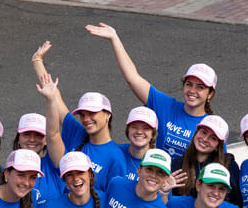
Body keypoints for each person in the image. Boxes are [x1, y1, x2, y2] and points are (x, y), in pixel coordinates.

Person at [84, 25, 216, 163]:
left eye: (200, 87)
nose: (192, 91)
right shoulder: (166, 106)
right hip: (154, 178)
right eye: (189, 84)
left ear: (210, 94)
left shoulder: (211, 127)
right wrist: (115, 39)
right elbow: (132, 78)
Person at [32, 53, 124, 191]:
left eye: (92, 113)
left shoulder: (115, 158)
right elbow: (54, 98)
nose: (86, 119)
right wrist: (37, 61)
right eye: (82, 114)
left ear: (108, 115)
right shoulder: (77, 132)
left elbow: (114, 196)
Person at [173, 115, 241, 206]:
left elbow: (237, 202)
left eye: (213, 138)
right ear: (196, 133)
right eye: (204, 132)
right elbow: (170, 201)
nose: (205, 139)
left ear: (218, 146)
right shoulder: (177, 164)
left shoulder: (229, 165)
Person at [115, 106, 159, 186]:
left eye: (145, 128)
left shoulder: (159, 162)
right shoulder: (115, 152)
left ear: (153, 133)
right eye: (134, 127)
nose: (139, 132)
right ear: (128, 130)